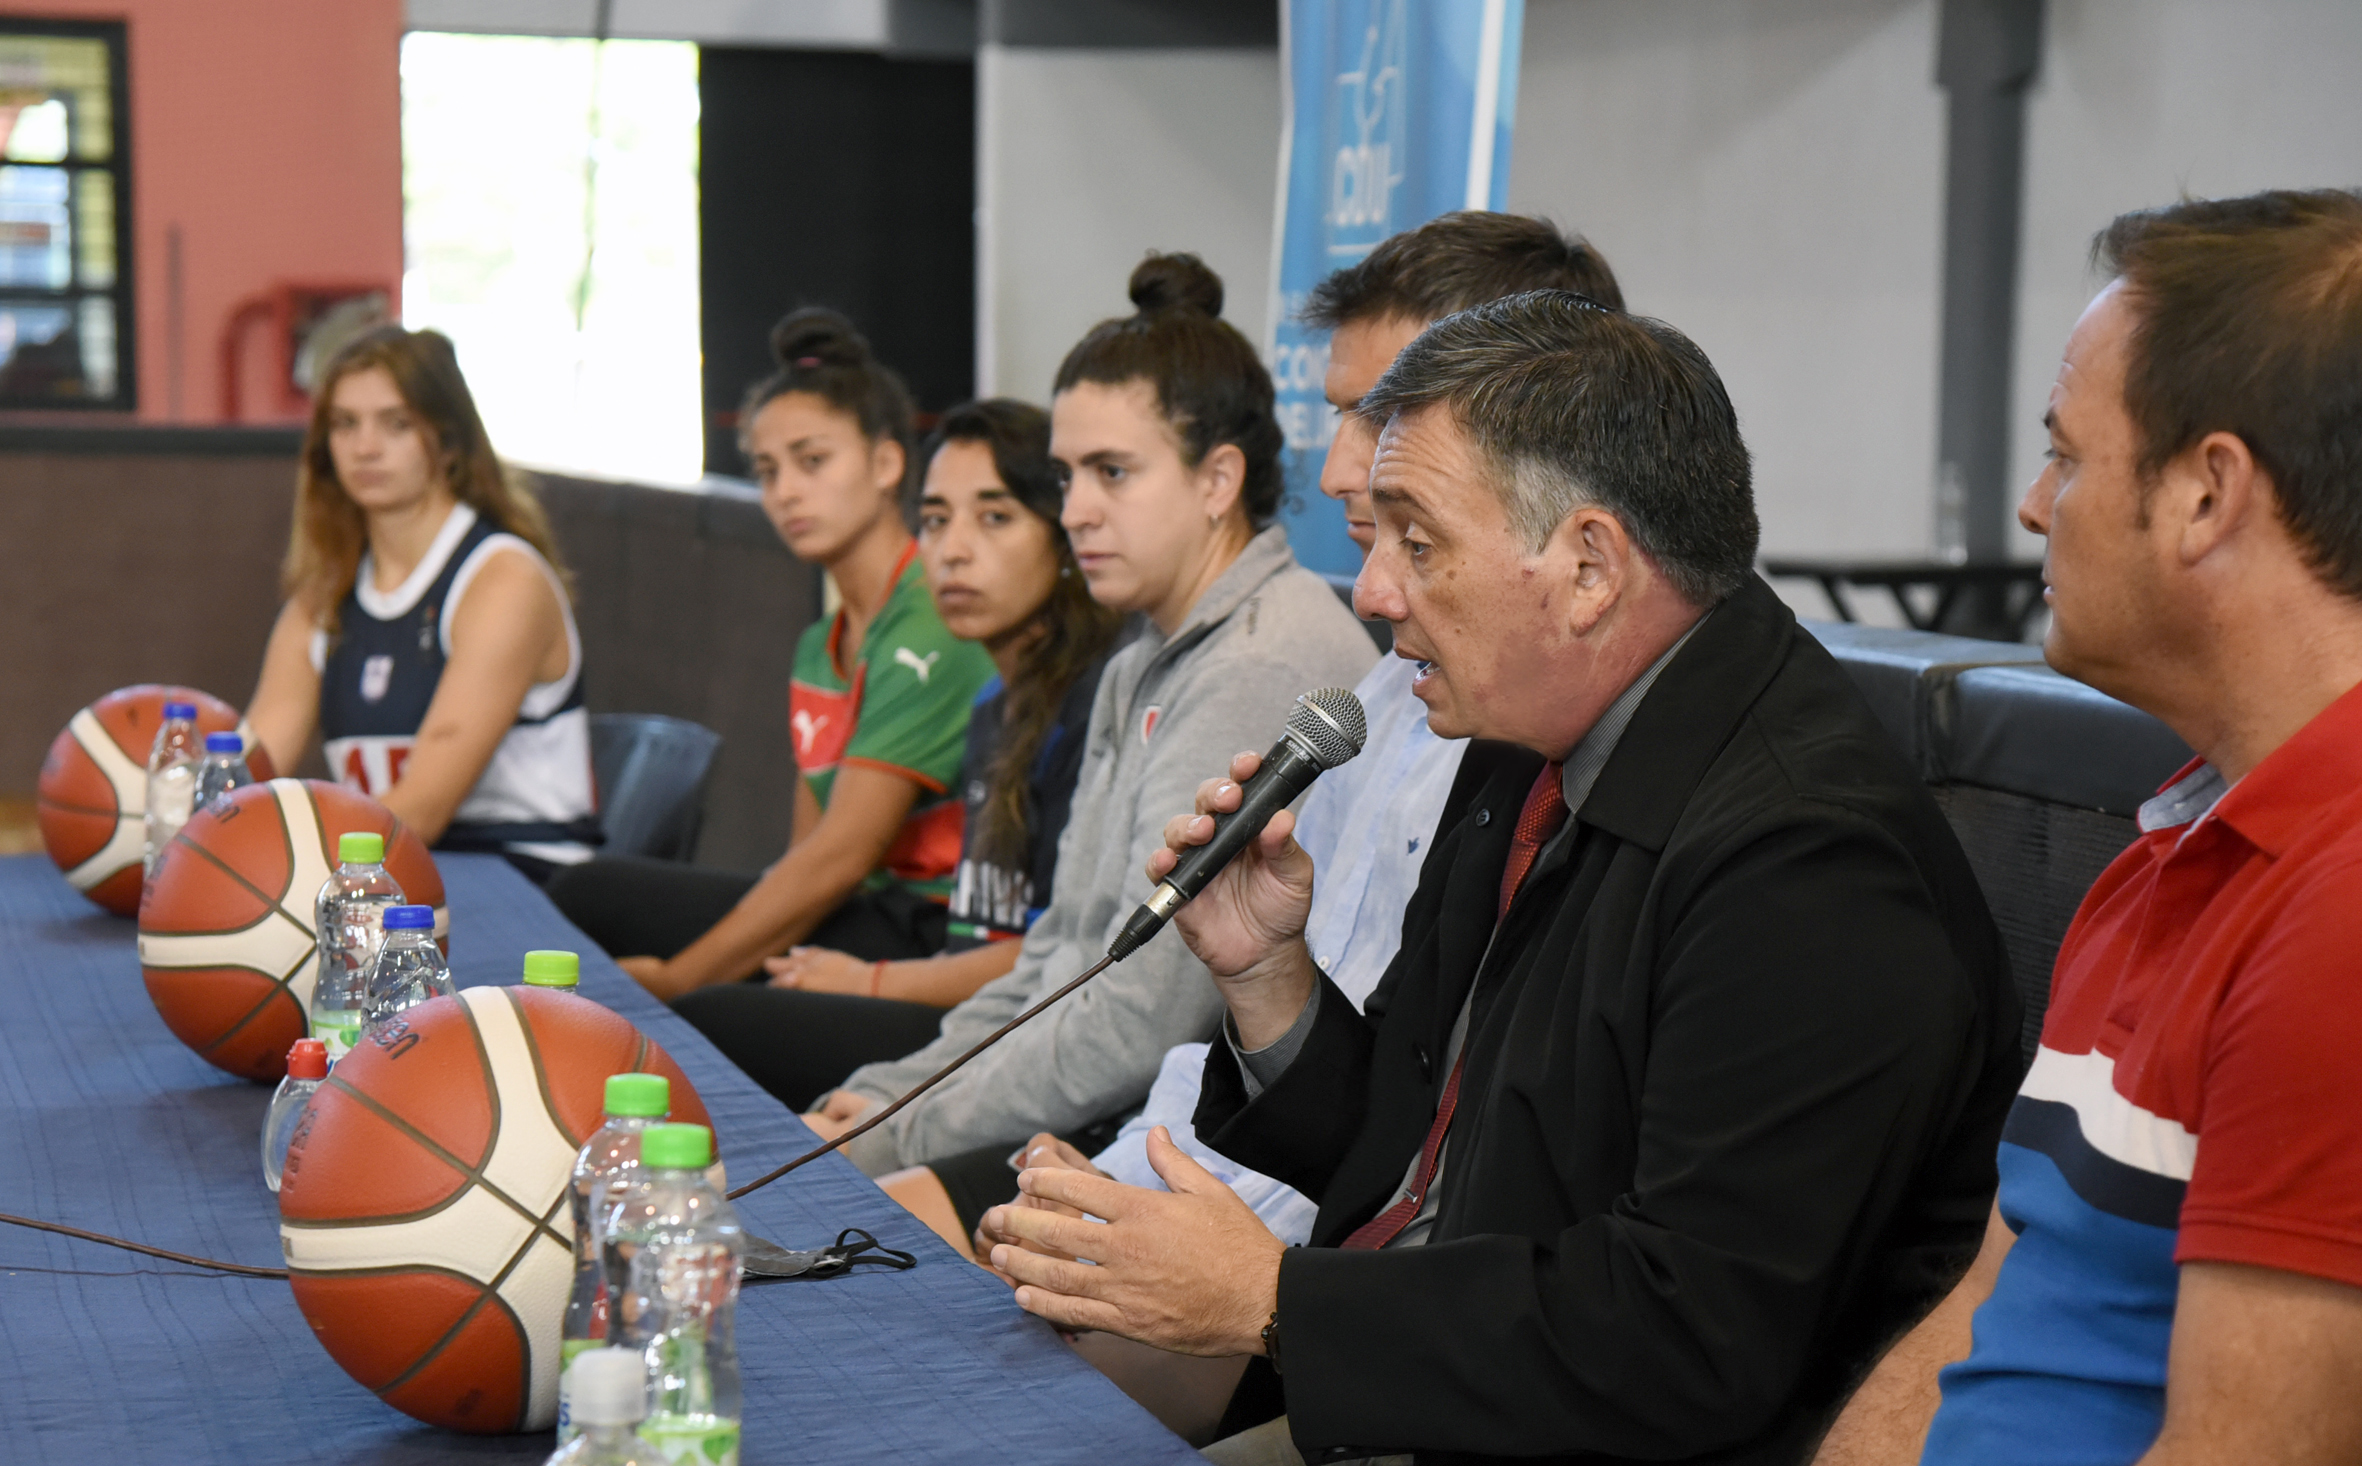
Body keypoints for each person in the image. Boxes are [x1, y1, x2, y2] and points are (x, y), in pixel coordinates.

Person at [977, 291, 2024, 1466]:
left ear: (1588, 566)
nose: (1373, 592)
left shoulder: (1804, 857)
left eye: (1415, 542)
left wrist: (1270, 1298)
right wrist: (1270, 979)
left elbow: (1688, 1338)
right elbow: (1418, 1144)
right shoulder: (1518, 748)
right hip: (1443, 1391)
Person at [1814, 189, 2362, 1466]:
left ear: (2205, 494)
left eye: (2065, 451)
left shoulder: (2336, 919)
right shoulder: (2168, 852)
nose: (2030, 502)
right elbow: (1991, 1314)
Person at [1072, 214, 1630, 1255]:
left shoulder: (1518, 732)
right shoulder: (1382, 695)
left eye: (1379, 418)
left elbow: (1436, 1173)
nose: (1337, 472)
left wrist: (1181, 1248)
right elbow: (1357, 1109)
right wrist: (1126, 1176)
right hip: (1265, 1227)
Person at [804, 253, 1376, 1241]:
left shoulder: (1258, 655)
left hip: (1207, 1144)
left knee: (852, 1219)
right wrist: (891, 1097)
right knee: (834, 1155)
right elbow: (1057, 955)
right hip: (1124, 1105)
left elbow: (1139, 1019)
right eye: (1069, 476)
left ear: (1217, 479)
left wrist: (901, 1133)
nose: (1073, 510)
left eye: (1113, 472)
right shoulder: (1142, 652)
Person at [668, 399, 1124, 1108]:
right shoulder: (991, 707)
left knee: (706, 1021)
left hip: (1023, 1031)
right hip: (961, 993)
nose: (954, 550)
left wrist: (868, 982)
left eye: (995, 517)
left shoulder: (1093, 708)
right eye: (937, 521)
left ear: (1064, 537)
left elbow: (1061, 956)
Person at [547, 311, 997, 997]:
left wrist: (678, 981)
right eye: (767, 470)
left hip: (925, 928)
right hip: (855, 906)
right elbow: (804, 858)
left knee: (697, 992)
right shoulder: (820, 645)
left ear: (885, 462)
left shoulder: (930, 621)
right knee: (590, 891)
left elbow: (841, 859)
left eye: (812, 461)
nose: (785, 490)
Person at [246, 325, 597, 873]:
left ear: (449, 442)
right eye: (345, 424)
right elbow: (247, 773)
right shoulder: (324, 598)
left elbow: (421, 811)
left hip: (519, 875)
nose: (365, 447)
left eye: (397, 424)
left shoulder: (502, 580)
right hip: (383, 881)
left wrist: (265, 860)